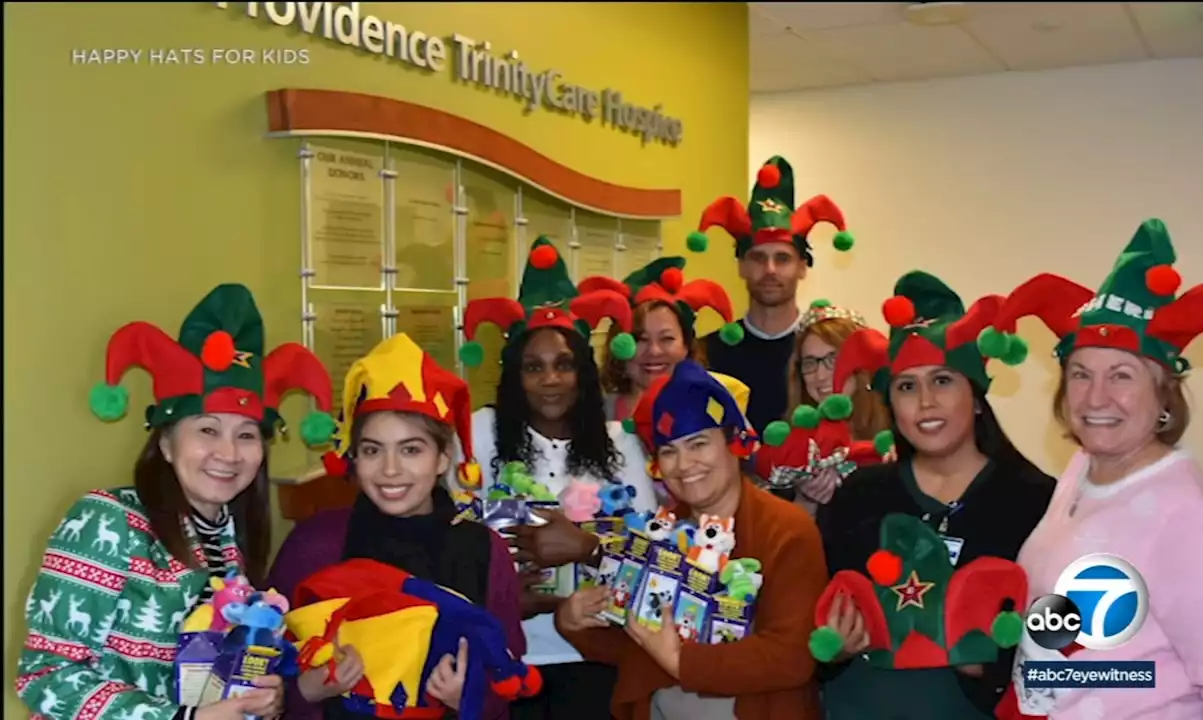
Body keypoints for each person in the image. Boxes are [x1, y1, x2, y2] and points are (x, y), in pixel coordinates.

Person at [983, 218, 1203, 720]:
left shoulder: (1188, 517)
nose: (1096, 398)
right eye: (1080, 374)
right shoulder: (1081, 470)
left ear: (1162, 393)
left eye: (1121, 375)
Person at [15, 284, 335, 720]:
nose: (229, 453)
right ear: (165, 442)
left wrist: (262, 695)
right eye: (207, 430)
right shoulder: (106, 521)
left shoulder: (229, 539)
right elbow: (46, 676)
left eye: (246, 435)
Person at [814, 271, 1056, 719]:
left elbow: (1063, 650)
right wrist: (832, 649)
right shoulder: (858, 496)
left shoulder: (1034, 503)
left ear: (977, 397)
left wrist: (990, 667)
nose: (925, 402)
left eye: (943, 380)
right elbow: (810, 627)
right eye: (907, 386)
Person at [268, 333, 525, 720]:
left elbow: (509, 676)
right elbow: (264, 669)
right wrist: (308, 690)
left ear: (442, 458)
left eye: (411, 450)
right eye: (372, 450)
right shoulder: (314, 544)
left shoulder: (483, 549)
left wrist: (468, 698)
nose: (390, 470)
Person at [555, 359, 830, 719]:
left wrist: (681, 661)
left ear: (733, 442)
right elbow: (639, 643)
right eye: (669, 451)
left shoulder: (787, 530)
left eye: (698, 444)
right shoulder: (661, 532)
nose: (684, 464)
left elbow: (792, 657)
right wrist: (575, 621)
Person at [459, 236, 657, 720]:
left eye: (565, 364)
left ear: (584, 373)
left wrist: (588, 547)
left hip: (596, 656)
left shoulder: (621, 444)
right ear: (514, 376)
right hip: (506, 658)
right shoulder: (479, 435)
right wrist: (500, 595)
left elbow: (655, 557)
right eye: (534, 367)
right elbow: (450, 542)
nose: (551, 380)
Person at [689, 155, 856, 433]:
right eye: (757, 258)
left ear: (802, 268)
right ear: (741, 266)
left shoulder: (823, 351)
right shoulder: (708, 353)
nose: (769, 270)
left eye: (782, 259)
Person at [594, 256, 738, 423]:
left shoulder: (717, 409)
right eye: (641, 339)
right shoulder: (595, 416)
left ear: (686, 346)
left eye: (667, 339)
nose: (654, 351)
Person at [785, 298, 892, 511]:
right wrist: (807, 500)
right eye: (810, 363)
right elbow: (788, 538)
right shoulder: (793, 445)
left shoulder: (897, 427)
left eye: (834, 359)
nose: (820, 375)